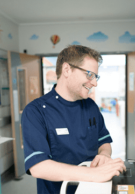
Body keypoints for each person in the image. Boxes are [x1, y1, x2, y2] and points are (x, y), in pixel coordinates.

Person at [21, 45, 126, 194]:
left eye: (96, 76)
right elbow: (38, 167)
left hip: (95, 188)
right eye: (89, 74)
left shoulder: (90, 106)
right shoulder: (35, 111)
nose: (94, 83)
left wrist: (104, 155)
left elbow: (104, 141)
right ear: (67, 70)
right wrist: (94, 174)